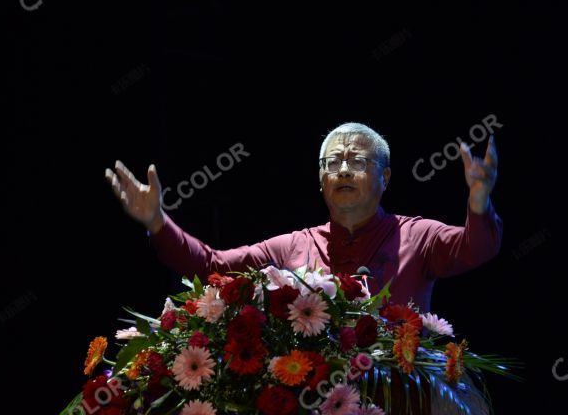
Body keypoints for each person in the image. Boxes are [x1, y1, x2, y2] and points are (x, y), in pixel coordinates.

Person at [104, 122, 501, 313]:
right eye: (333, 163)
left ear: (386, 178)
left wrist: (479, 202)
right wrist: (158, 221)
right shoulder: (291, 246)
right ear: (320, 179)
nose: (343, 170)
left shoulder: (418, 236)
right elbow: (212, 265)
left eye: (357, 161)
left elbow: (475, 248)